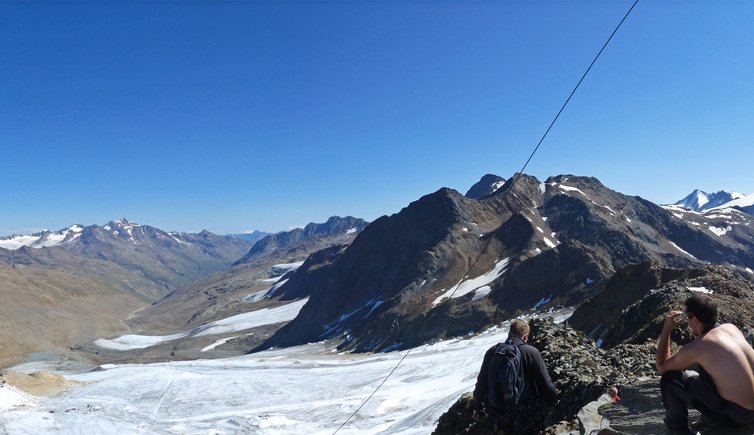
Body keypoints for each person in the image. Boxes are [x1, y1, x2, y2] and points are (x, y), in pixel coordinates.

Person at [657, 293, 754, 433]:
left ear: (694, 319)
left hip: (739, 416)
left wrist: (667, 329)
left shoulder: (700, 346)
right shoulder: (731, 328)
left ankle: (678, 431)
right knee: (704, 366)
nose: (687, 322)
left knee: (669, 379)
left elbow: (661, 365)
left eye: (686, 317)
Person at [472, 319, 558, 432]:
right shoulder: (531, 352)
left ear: (509, 334)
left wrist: (477, 406)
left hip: (497, 410)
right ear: (526, 336)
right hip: (523, 412)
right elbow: (546, 384)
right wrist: (555, 403)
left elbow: (481, 382)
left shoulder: (492, 352)